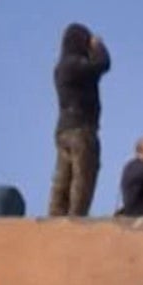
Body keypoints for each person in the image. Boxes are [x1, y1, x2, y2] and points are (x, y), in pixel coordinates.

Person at [50, 23, 111, 217]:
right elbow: (103, 65)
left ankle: (56, 216)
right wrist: (98, 46)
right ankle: (76, 218)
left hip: (64, 128)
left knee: (63, 177)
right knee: (83, 175)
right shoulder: (74, 64)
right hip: (80, 129)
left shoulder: (62, 67)